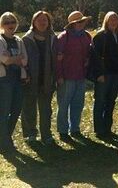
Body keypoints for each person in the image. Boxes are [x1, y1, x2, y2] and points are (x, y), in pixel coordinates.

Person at [21, 11, 57, 145]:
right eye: (39, 20)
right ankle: (30, 134)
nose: (42, 23)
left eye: (45, 20)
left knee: (46, 109)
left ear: (48, 23)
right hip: (31, 80)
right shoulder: (26, 39)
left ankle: (46, 134)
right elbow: (23, 59)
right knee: (29, 107)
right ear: (33, 22)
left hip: (47, 79)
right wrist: (25, 75)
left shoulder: (53, 38)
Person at [91, 12, 118, 139]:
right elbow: (94, 58)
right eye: (111, 20)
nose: (113, 22)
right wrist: (99, 74)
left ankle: (107, 128)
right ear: (106, 21)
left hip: (116, 74)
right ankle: (99, 130)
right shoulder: (100, 37)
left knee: (111, 102)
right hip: (104, 74)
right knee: (100, 101)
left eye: (115, 20)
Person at [56, 11, 91, 141]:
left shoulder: (87, 36)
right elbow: (57, 59)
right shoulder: (63, 37)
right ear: (72, 24)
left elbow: (89, 54)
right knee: (63, 105)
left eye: (83, 21)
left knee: (78, 104)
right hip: (66, 77)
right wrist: (59, 76)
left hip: (81, 76)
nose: (81, 24)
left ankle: (75, 129)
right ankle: (63, 130)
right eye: (78, 22)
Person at [0, 12, 28, 153]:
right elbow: (4, 59)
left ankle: (5, 138)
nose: (10, 25)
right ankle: (5, 143)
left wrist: (12, 58)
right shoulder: (0, 40)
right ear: (2, 25)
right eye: (6, 22)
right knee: (4, 112)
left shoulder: (19, 40)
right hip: (4, 80)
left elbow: (24, 60)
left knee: (16, 110)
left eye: (12, 22)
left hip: (18, 80)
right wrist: (15, 58)